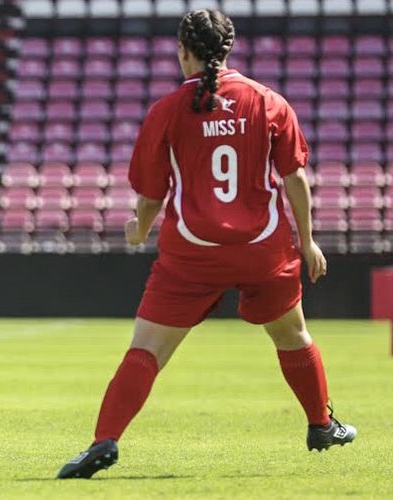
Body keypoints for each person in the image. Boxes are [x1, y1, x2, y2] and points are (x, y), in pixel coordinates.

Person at [57, 10, 356, 479]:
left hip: (191, 253)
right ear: (229, 49)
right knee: (292, 336)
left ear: (182, 51)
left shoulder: (166, 111)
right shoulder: (268, 102)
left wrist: (137, 230)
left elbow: (151, 194)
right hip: (263, 248)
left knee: (147, 349)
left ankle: (104, 440)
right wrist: (309, 242)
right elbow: (294, 177)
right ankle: (321, 424)